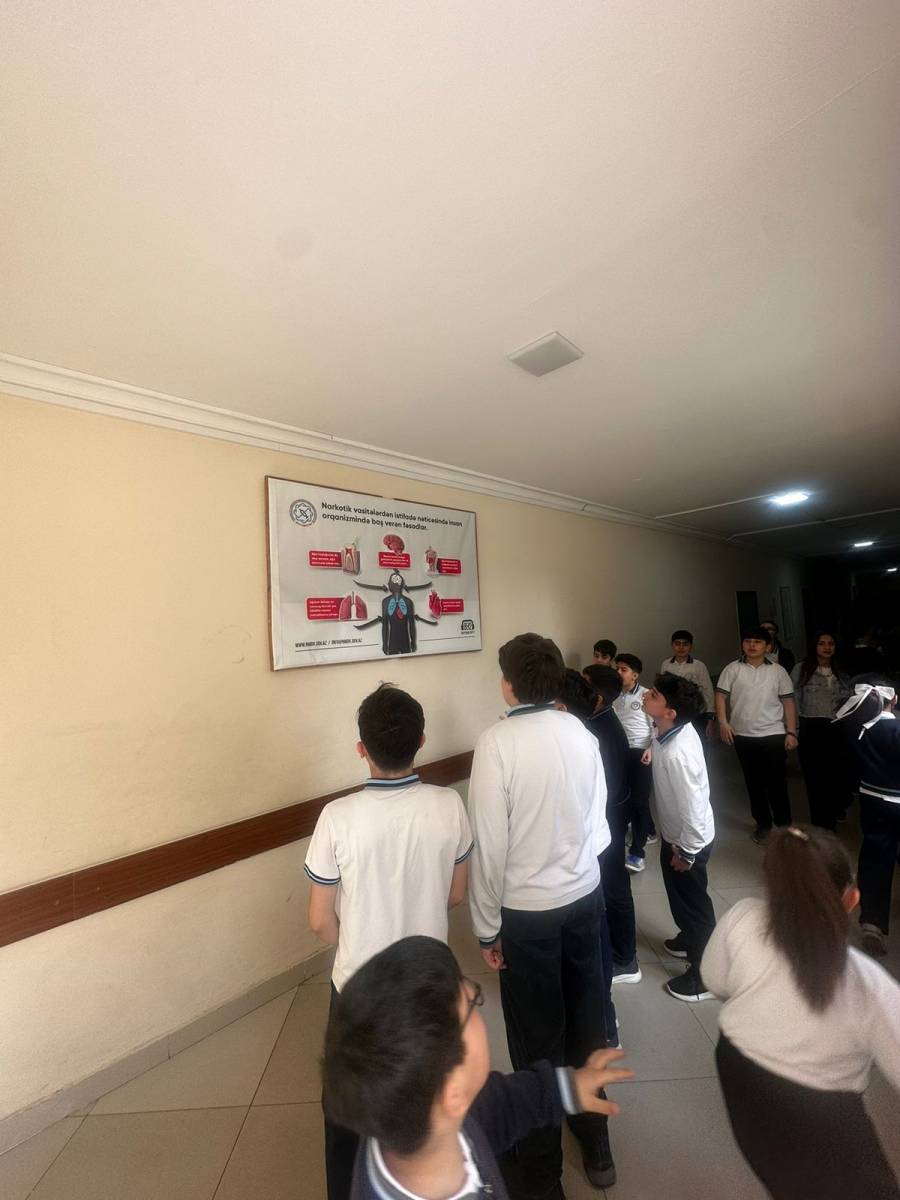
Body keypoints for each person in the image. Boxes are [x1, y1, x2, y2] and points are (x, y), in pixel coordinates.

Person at [305, 684, 473, 1200]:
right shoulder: (449, 804)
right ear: (421, 740)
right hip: (428, 985)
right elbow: (456, 894)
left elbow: (319, 920)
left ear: (361, 748)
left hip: (358, 986)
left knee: (346, 1114)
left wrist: (354, 941)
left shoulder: (337, 817)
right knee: (426, 1106)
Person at [468, 634, 615, 1196]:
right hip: (586, 900)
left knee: (537, 1039)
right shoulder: (580, 732)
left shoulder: (496, 743)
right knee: (587, 1019)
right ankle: (597, 1147)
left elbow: (490, 847)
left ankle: (542, 1174)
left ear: (508, 684)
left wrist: (487, 928)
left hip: (527, 915)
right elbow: (599, 826)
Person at [322, 937, 634, 1200]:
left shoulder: (402, 1116)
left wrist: (563, 1089)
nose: (474, 993)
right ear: (454, 1093)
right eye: (472, 1003)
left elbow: (495, 1106)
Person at [702, 826, 900, 1200]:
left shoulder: (742, 918)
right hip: (822, 1117)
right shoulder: (866, 983)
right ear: (851, 900)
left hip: (739, 1075)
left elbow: (713, 979)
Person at [642, 673, 717, 1002]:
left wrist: (687, 852)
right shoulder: (669, 730)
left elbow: (694, 808)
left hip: (689, 841)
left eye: (654, 695)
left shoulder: (678, 754)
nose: (646, 695)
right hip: (675, 834)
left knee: (694, 905)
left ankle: (706, 976)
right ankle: (689, 939)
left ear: (669, 712)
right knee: (679, 896)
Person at [557, 669, 622, 1040]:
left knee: (593, 943)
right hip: (589, 856)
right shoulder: (585, 736)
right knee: (590, 941)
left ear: (561, 708)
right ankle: (600, 1019)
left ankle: (604, 1020)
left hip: (587, 858)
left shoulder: (587, 742)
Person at [833, 677, 900, 958]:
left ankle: (872, 922)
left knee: (875, 857)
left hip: (871, 800)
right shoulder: (896, 729)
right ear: (894, 699)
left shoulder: (858, 730)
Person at [584, 664, 641, 986]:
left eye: (583, 687)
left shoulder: (602, 731)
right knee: (611, 883)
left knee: (614, 885)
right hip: (612, 814)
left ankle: (625, 958)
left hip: (611, 818)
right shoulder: (597, 719)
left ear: (598, 698)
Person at [715, 628, 798, 843]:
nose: (752, 645)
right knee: (754, 783)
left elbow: (788, 702)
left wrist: (791, 731)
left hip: (774, 733)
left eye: (758, 642)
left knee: (777, 782)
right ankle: (763, 825)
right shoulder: (732, 669)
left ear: (768, 646)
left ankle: (784, 825)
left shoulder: (778, 671)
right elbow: (720, 697)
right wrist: (723, 723)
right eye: (748, 641)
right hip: (743, 735)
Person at [790, 632, 853, 830]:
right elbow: (793, 698)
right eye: (822, 643)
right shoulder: (801, 668)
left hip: (837, 728)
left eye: (831, 643)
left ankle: (834, 811)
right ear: (814, 646)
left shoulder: (841, 670)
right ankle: (821, 824)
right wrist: (793, 728)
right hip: (811, 727)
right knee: (814, 778)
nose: (827, 647)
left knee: (836, 776)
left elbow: (850, 699)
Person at [613, 653, 657, 872]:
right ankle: (622, 840)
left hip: (641, 753)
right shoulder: (613, 695)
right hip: (620, 753)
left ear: (635, 675)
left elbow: (656, 726)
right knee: (622, 799)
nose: (618, 673)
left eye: (623, 670)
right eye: (617, 669)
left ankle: (637, 853)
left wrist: (651, 749)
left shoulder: (646, 695)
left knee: (640, 801)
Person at [659, 629, 715, 739]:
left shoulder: (699, 666)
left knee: (697, 739)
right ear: (672, 645)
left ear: (691, 646)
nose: (681, 647)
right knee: (676, 739)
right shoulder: (666, 664)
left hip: (695, 713)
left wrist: (710, 718)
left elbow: (708, 691)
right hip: (673, 712)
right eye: (677, 644)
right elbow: (662, 689)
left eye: (685, 644)